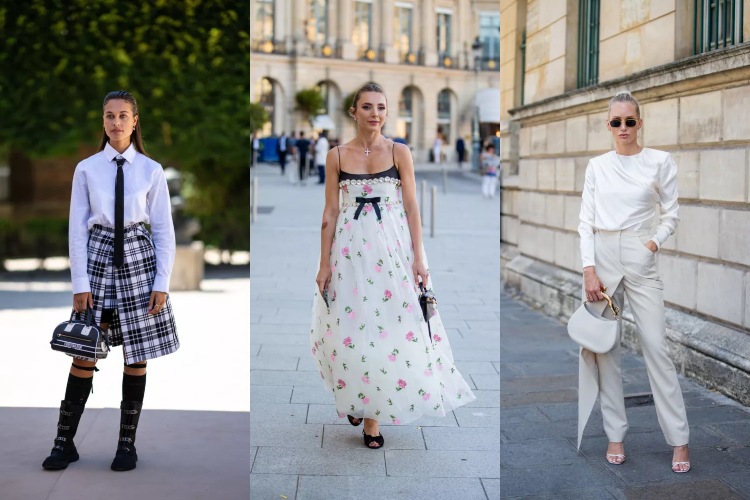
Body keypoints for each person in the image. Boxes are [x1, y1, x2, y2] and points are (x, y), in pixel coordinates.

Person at [310, 82, 476, 449]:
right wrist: (324, 264)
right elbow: (330, 211)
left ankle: (371, 418)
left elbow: (413, 206)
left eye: (381, 107)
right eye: (367, 107)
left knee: (390, 326)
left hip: (394, 251)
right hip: (351, 253)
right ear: (354, 111)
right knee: (350, 327)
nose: (375, 114)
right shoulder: (337, 155)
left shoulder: (400, 152)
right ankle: (357, 394)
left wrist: (419, 257)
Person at [43, 90, 179, 472]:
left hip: (139, 260)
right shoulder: (86, 168)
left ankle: (126, 445)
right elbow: (75, 230)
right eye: (109, 116)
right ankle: (64, 442)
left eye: (123, 116)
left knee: (136, 354)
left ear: (135, 121)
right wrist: (79, 282)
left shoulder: (151, 170)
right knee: (83, 349)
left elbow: (164, 231)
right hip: (99, 258)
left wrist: (162, 282)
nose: (116, 122)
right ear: (102, 121)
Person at [578, 90, 690, 473]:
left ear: (639, 123)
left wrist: (653, 243)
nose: (623, 127)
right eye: (615, 122)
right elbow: (585, 221)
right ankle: (615, 434)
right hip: (602, 256)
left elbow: (671, 212)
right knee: (605, 350)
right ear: (607, 125)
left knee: (656, 347)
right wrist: (588, 268)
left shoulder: (659, 161)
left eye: (629, 121)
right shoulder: (597, 166)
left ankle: (679, 439)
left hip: (641, 256)